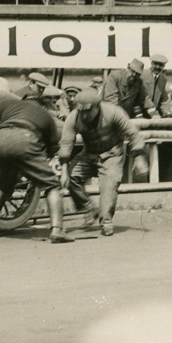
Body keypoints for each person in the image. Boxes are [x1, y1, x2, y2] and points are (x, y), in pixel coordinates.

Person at [0, 89, 70, 242]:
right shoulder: (45, 115)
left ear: (23, 100)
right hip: (27, 139)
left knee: (3, 185)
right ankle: (57, 231)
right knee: (52, 185)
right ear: (41, 103)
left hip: (1, 140)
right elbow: (52, 151)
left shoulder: (9, 104)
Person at [59, 89, 149, 237]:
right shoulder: (73, 118)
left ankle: (106, 221)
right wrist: (63, 170)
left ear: (97, 106)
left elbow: (133, 134)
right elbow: (66, 142)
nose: (84, 115)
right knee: (70, 175)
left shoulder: (113, 112)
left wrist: (139, 157)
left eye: (88, 111)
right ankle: (88, 207)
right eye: (80, 111)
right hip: (88, 154)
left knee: (109, 185)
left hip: (112, 154)